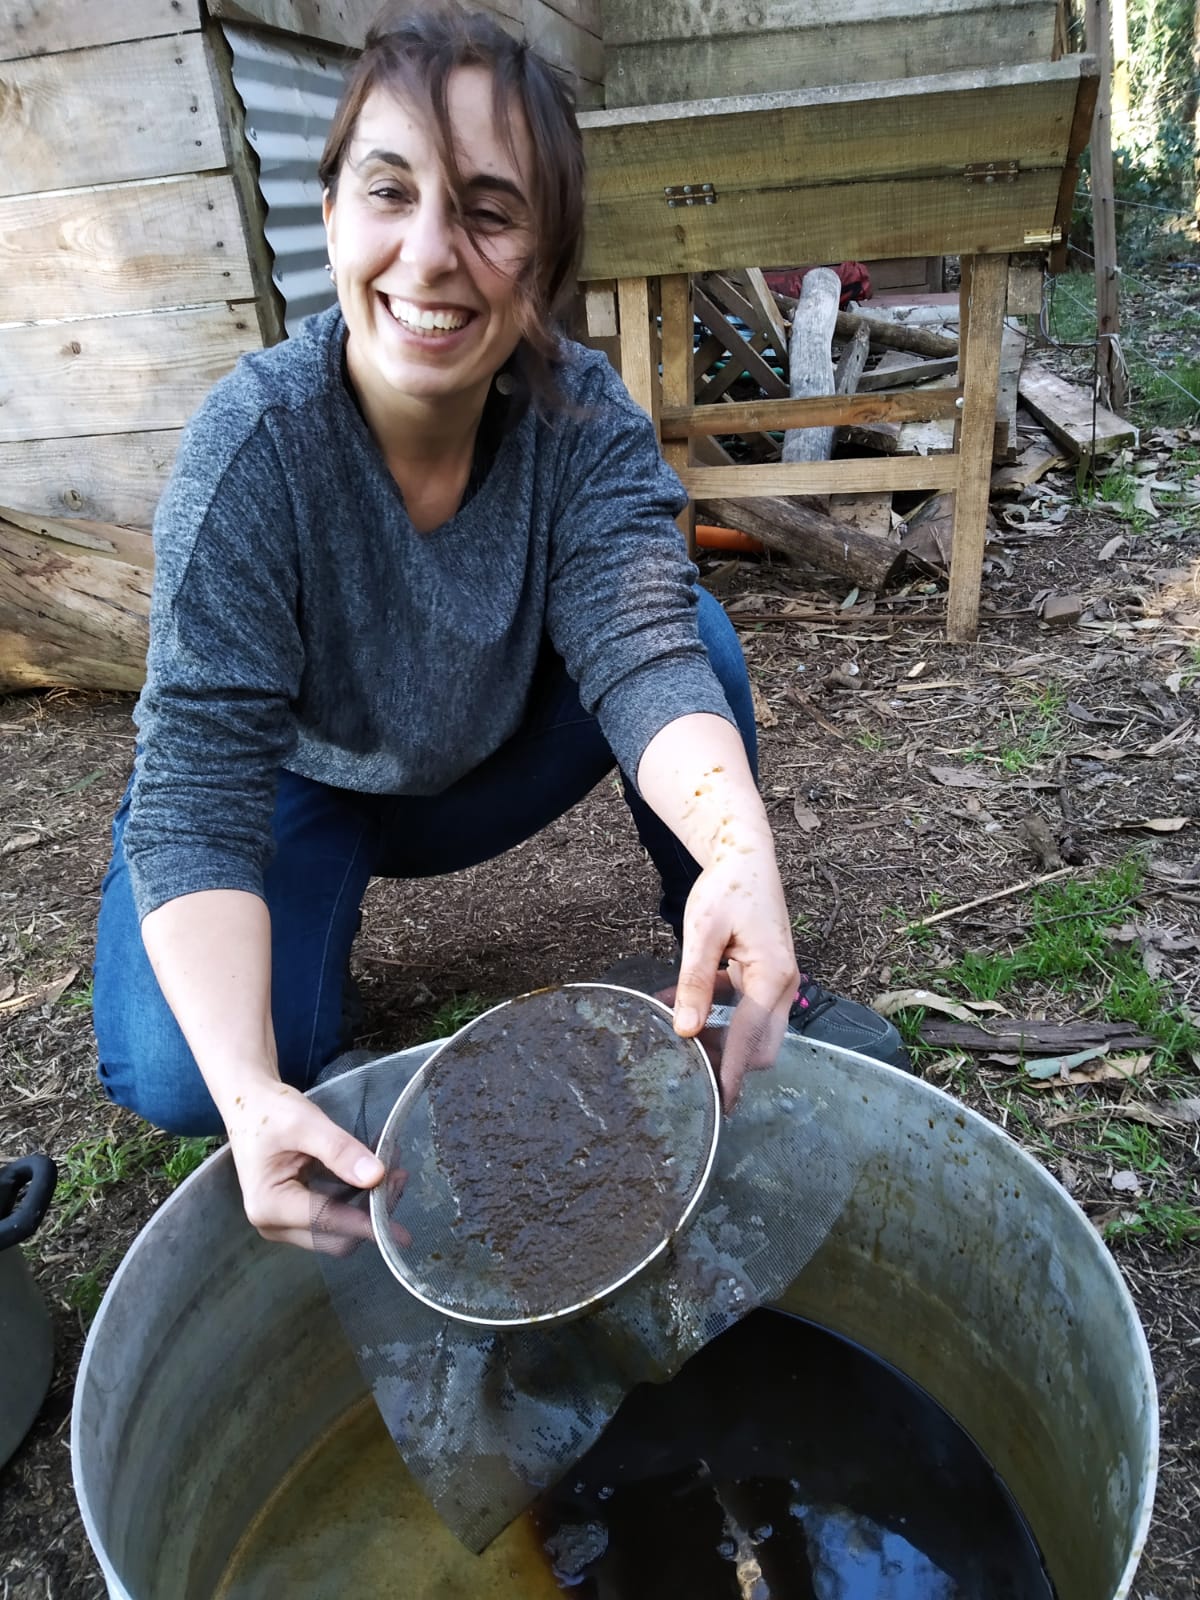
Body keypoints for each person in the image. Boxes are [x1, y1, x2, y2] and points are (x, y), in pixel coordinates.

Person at [93, 3, 904, 1251]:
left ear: (546, 260)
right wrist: (255, 1092)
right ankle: (294, 972)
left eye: (487, 208)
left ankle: (733, 970)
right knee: (192, 1072)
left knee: (696, 632)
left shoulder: (585, 425)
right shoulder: (252, 449)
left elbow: (641, 653)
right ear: (330, 214)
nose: (427, 255)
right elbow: (198, 783)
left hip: (486, 762)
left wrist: (744, 851)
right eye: (389, 191)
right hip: (300, 787)